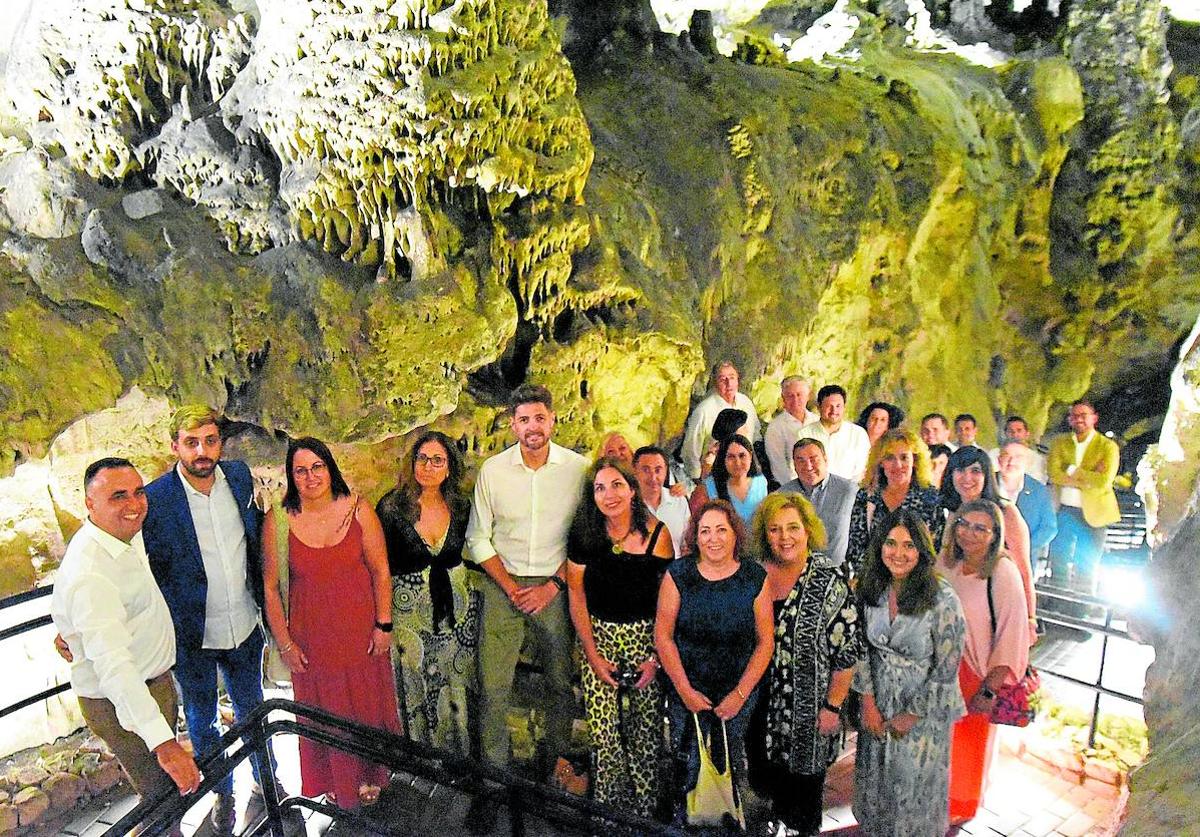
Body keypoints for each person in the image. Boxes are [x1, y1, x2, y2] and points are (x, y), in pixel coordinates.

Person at [51, 459, 202, 832]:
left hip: (152, 684)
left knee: (165, 798)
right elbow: (115, 668)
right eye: (118, 495)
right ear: (90, 503)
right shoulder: (92, 571)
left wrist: (68, 625)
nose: (134, 504)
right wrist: (165, 744)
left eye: (138, 491)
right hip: (123, 699)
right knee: (162, 800)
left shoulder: (119, 535)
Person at [141, 405, 269, 834]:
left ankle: (266, 782)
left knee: (254, 708)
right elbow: (144, 565)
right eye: (191, 442)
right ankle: (222, 790)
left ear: (221, 442)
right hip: (192, 632)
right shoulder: (156, 499)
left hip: (245, 622)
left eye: (210, 441)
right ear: (175, 445)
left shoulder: (237, 477)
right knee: (202, 717)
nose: (202, 451)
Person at [464, 384, 588, 812]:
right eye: (523, 420)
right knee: (493, 682)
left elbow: (584, 537)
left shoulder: (578, 469)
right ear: (512, 424)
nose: (532, 427)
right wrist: (510, 586)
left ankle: (553, 766)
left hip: (557, 584)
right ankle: (495, 777)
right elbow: (478, 537)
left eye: (539, 418)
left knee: (559, 680)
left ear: (553, 419)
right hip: (504, 582)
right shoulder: (493, 472)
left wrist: (553, 586)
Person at [262, 438, 400, 809]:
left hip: (360, 633)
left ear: (330, 467)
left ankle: (370, 774)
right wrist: (286, 644)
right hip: (312, 638)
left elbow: (381, 571)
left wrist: (383, 625)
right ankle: (338, 780)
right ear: (291, 477)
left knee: (364, 706)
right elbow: (270, 588)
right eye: (300, 470)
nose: (310, 477)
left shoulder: (358, 509)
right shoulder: (278, 520)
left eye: (317, 467)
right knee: (327, 713)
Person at [566, 457, 674, 817]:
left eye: (616, 485)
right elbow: (576, 597)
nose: (608, 495)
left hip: (645, 639)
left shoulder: (657, 536)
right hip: (599, 637)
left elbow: (667, 603)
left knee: (645, 734)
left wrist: (656, 658)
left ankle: (643, 815)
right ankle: (610, 815)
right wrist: (592, 656)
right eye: (599, 487)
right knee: (604, 736)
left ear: (631, 489)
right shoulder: (584, 533)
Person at [655, 500, 773, 825]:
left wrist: (739, 696)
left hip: (737, 692)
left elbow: (765, 642)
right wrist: (683, 689)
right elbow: (663, 636)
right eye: (705, 531)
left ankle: (727, 822)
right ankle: (690, 822)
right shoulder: (679, 575)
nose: (713, 538)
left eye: (721, 529)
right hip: (688, 691)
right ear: (696, 536)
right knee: (690, 762)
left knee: (731, 760)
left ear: (735, 533)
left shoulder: (754, 577)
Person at [752, 493, 862, 836]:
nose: (784, 537)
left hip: (809, 709)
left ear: (808, 529)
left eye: (793, 528)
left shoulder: (828, 579)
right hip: (758, 703)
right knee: (763, 779)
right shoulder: (753, 574)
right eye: (775, 529)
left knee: (803, 799)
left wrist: (833, 706)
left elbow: (846, 652)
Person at [851, 509, 966, 837]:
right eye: (890, 543)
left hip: (922, 712)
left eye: (908, 545)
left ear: (922, 550)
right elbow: (861, 648)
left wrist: (911, 715)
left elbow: (946, 671)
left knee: (913, 793)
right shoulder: (871, 589)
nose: (898, 553)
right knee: (876, 787)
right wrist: (868, 701)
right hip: (878, 703)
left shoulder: (942, 599)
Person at [375, 430, 479, 754]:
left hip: (455, 614)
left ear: (449, 467)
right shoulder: (392, 507)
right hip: (408, 615)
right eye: (423, 458)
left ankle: (459, 761)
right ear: (413, 462)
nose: (429, 467)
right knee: (414, 685)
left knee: (454, 684)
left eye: (438, 460)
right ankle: (421, 763)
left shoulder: (461, 506)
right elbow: (379, 567)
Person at [940, 499, 1030, 824]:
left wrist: (990, 689)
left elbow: (1011, 633)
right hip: (942, 668)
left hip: (977, 672)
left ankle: (961, 807)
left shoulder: (1002, 572)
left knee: (969, 744)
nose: (970, 534)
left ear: (995, 534)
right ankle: (937, 798)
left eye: (981, 528)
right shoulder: (946, 561)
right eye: (964, 524)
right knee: (942, 742)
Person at [941, 446, 1037, 643]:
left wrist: (1030, 619)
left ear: (987, 475)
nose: (967, 478)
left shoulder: (1006, 513)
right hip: (955, 613)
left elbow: (1024, 571)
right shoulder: (947, 513)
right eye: (960, 470)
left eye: (975, 471)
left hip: (996, 609)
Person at [1046, 400, 1120, 595]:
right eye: (1075, 416)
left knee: (1087, 565)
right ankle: (1057, 604)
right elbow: (1053, 474)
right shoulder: (1059, 443)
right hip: (1065, 510)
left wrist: (1070, 470)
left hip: (1094, 514)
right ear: (1070, 419)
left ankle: (1080, 611)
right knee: (1058, 559)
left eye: (1083, 415)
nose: (1079, 419)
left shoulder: (1107, 446)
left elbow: (1103, 481)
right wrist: (1087, 476)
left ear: (1094, 418)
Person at [845, 428, 943, 575]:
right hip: (874, 584)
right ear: (880, 463)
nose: (897, 465)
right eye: (889, 458)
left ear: (915, 461)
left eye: (904, 457)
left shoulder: (931, 497)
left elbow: (935, 549)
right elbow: (856, 546)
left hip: (917, 585)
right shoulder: (867, 496)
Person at [775, 438, 856, 568]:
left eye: (813, 459)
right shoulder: (781, 496)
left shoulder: (850, 492)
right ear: (794, 465)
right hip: (794, 575)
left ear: (825, 459)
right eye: (800, 460)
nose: (808, 466)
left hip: (839, 574)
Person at [682, 361, 762, 480]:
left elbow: (755, 436)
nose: (728, 383)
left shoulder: (746, 402)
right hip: (715, 475)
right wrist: (698, 480)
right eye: (722, 379)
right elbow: (691, 449)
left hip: (745, 473)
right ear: (715, 382)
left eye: (732, 377)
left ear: (738, 379)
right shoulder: (704, 410)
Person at [996, 440, 1058, 578]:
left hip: (1023, 565)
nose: (1011, 461)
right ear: (999, 459)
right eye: (1007, 455)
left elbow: (1049, 528)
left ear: (1027, 462)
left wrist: (1021, 548)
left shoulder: (1039, 491)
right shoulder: (985, 484)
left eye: (1018, 457)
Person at [689, 433, 769, 523]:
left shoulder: (760, 482)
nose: (737, 463)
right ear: (723, 460)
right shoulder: (707, 489)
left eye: (742, 456)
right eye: (731, 457)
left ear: (750, 456)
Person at [799, 385, 871, 482]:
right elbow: (798, 468)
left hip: (849, 491)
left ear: (844, 407)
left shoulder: (858, 434)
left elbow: (862, 471)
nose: (834, 411)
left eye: (838, 406)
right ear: (819, 407)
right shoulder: (804, 434)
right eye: (829, 406)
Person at [633, 445, 691, 557]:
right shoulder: (628, 505)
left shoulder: (679, 501)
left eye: (658, 470)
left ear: (666, 472)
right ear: (635, 472)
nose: (653, 477)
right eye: (646, 470)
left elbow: (687, 544)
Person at [763, 376, 818, 483]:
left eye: (799, 394)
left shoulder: (817, 421)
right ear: (783, 399)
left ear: (807, 396)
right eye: (790, 396)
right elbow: (779, 466)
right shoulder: (775, 428)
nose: (795, 400)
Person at [989, 416, 1047, 483]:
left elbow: (1039, 481)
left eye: (1019, 430)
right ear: (1005, 433)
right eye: (1010, 431)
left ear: (1027, 434)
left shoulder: (1037, 458)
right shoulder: (994, 454)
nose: (1015, 434)